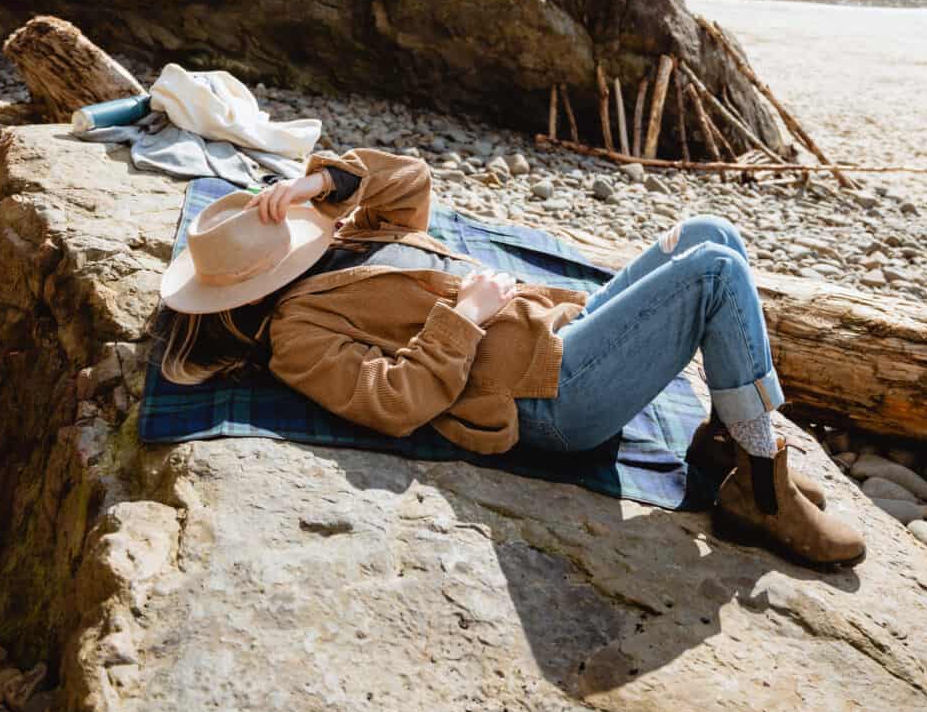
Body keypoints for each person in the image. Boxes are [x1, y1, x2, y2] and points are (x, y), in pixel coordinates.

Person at [160, 147, 866, 570]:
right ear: (258, 284)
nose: (296, 229)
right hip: (547, 398)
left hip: (553, 332)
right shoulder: (297, 333)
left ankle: (724, 445)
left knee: (707, 231)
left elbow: (407, 180)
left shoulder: (337, 244)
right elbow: (391, 404)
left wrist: (323, 184)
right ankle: (759, 489)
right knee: (712, 271)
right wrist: (462, 316)